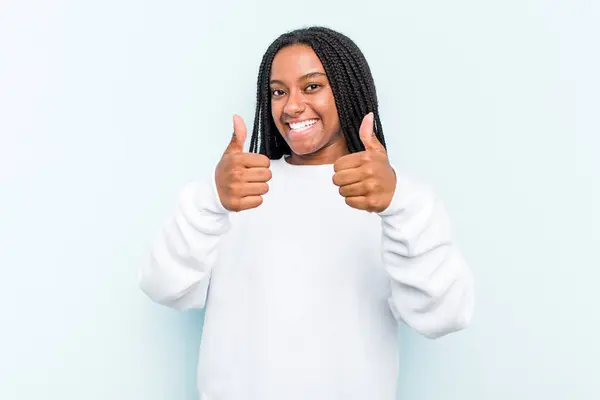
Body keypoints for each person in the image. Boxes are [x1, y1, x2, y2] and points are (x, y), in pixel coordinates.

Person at [139, 26, 475, 400]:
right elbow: (163, 287)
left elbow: (446, 314)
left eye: (312, 86)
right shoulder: (238, 192)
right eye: (279, 91)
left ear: (348, 90)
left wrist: (399, 203)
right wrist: (210, 200)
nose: (292, 106)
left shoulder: (396, 201)